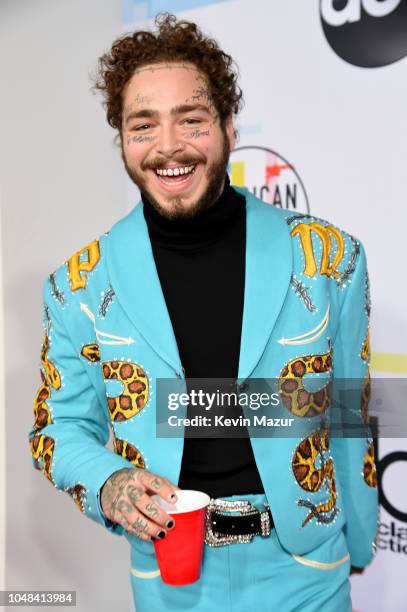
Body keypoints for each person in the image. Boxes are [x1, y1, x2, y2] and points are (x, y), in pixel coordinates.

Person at [29, 13, 379, 612]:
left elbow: (347, 406)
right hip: (170, 576)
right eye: (144, 125)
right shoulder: (78, 287)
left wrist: (359, 540)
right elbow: (56, 428)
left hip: (310, 572)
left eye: (191, 119)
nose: (168, 146)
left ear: (227, 127)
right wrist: (110, 483)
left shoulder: (328, 259)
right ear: (123, 140)